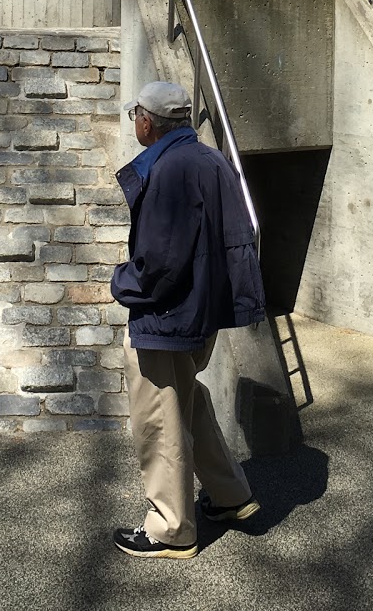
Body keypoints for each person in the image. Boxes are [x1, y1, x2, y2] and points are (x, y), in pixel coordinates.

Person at [110, 80, 265, 559]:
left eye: (136, 113)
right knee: (187, 403)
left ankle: (170, 529)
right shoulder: (208, 158)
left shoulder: (171, 169)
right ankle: (231, 495)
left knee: (159, 419)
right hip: (201, 309)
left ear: (147, 121)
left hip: (169, 315)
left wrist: (122, 283)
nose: (134, 120)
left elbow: (159, 261)